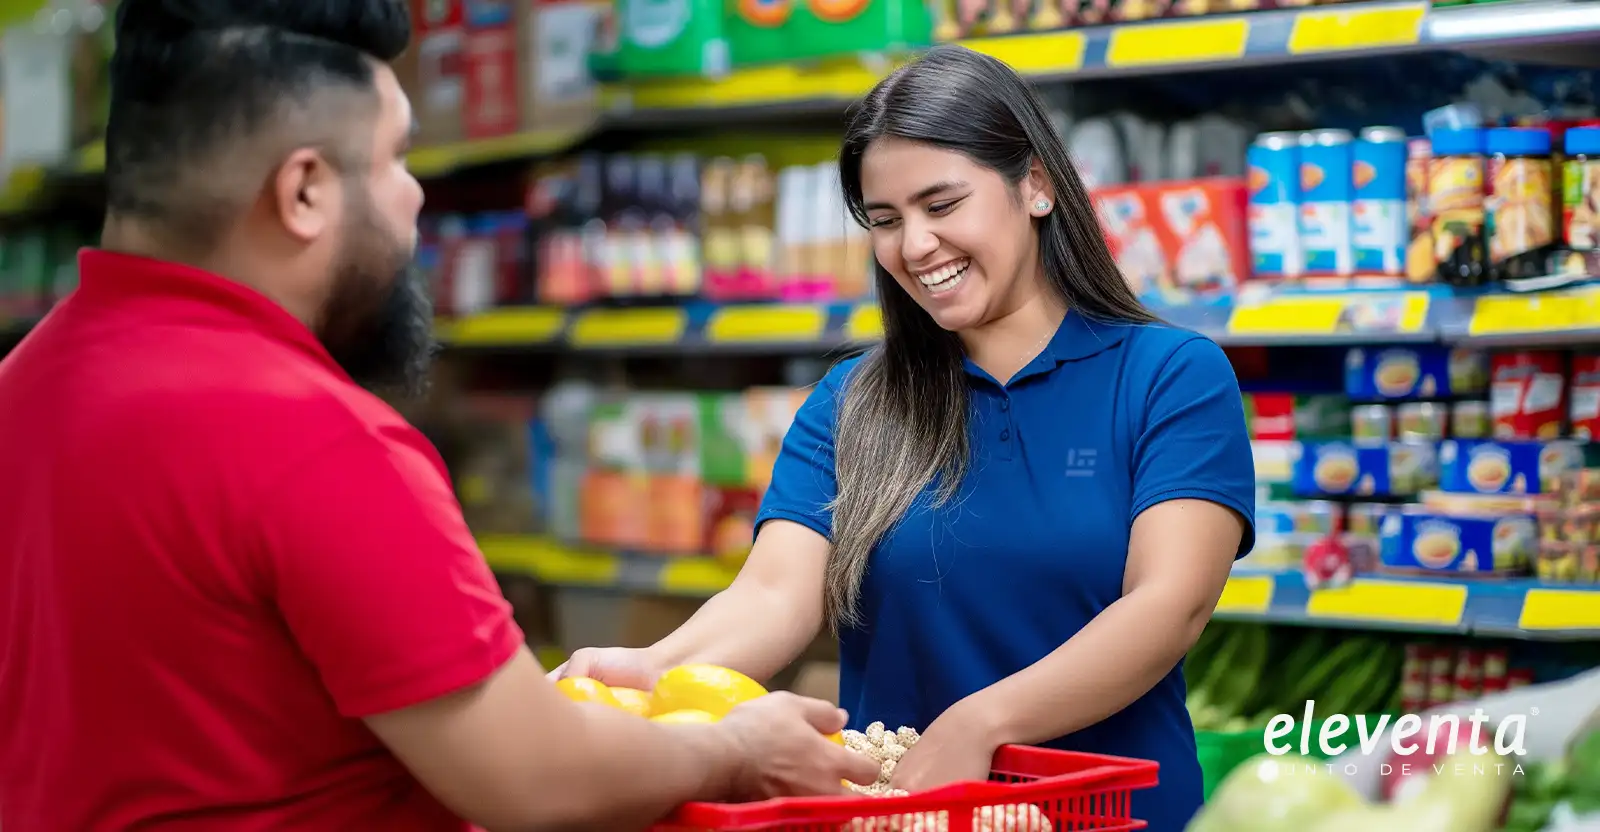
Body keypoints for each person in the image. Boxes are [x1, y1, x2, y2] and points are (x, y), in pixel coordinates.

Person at [0, 3, 878, 831]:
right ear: (303, 191)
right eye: (395, 161)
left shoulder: (22, 387)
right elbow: (536, 776)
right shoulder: (311, 438)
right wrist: (728, 749)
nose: (414, 198)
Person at [557, 44, 1256, 832]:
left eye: (942, 204)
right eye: (885, 220)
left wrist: (980, 723)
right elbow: (774, 594)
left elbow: (1168, 607)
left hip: (1112, 814)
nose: (914, 247)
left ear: (1034, 184)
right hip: (908, 816)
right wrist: (649, 673)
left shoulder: (1168, 375)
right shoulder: (854, 401)